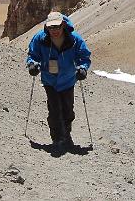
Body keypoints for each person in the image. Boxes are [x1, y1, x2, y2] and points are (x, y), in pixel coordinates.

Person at [26, 11, 91, 150]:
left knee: (68, 111)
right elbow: (33, 54)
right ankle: (57, 139)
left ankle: (66, 136)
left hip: (68, 80)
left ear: (63, 25)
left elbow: (84, 56)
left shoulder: (74, 39)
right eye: (51, 27)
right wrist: (32, 64)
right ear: (47, 27)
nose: (54, 30)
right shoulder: (40, 39)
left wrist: (83, 68)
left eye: (57, 27)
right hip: (50, 81)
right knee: (54, 110)